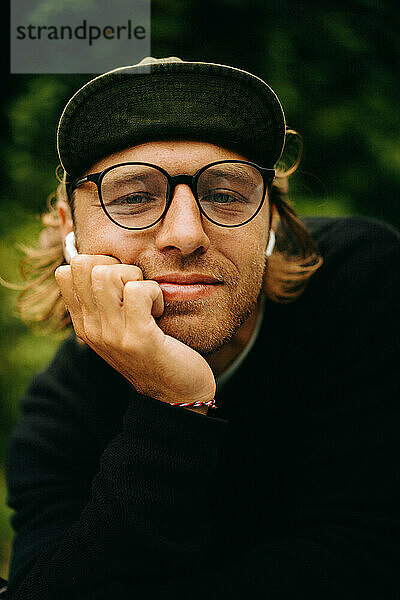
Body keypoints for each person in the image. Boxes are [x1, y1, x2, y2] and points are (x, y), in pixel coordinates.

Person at [3, 56, 400, 599]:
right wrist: (172, 405)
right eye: (135, 196)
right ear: (73, 229)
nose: (186, 234)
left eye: (225, 194)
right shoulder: (62, 411)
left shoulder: (363, 283)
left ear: (271, 218)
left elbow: (371, 559)